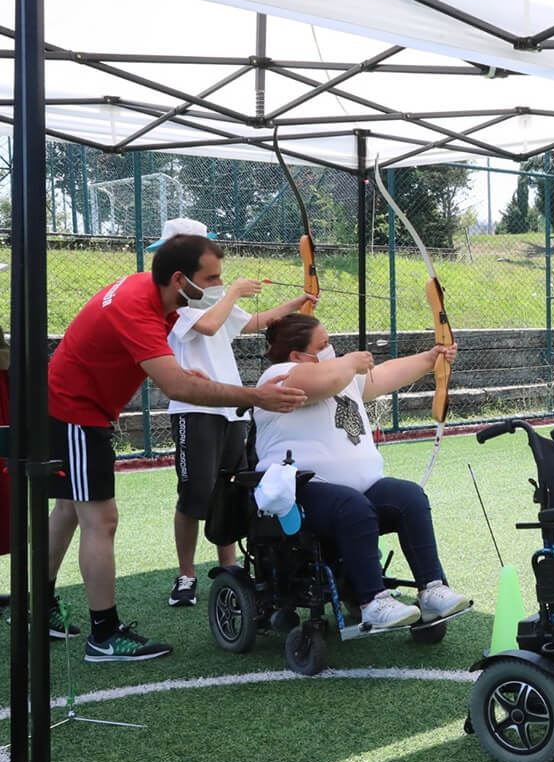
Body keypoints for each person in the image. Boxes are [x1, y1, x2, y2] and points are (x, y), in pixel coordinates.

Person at [47, 235, 307, 662]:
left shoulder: (153, 295)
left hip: (80, 406)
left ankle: (39, 605)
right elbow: (175, 385)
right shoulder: (136, 307)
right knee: (101, 520)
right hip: (74, 408)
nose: (220, 284)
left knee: (69, 512)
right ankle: (104, 634)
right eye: (212, 278)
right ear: (181, 279)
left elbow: (178, 371)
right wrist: (253, 396)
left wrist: (213, 384)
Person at [252, 314, 466, 630]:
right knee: (352, 507)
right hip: (303, 491)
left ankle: (432, 588)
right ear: (297, 356)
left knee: (409, 497)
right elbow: (323, 382)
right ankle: (373, 602)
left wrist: (431, 358)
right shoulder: (279, 376)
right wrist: (351, 361)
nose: (331, 349)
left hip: (360, 490)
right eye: (323, 345)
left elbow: (383, 376)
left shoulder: (341, 375)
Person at [160, 217, 316, 609]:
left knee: (227, 490)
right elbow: (212, 327)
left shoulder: (214, 299)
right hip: (194, 410)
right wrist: (231, 292)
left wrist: (298, 302)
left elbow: (254, 322)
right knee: (193, 495)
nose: (216, 282)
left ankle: (228, 568)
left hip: (231, 411)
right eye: (210, 275)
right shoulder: (179, 306)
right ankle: (186, 575)